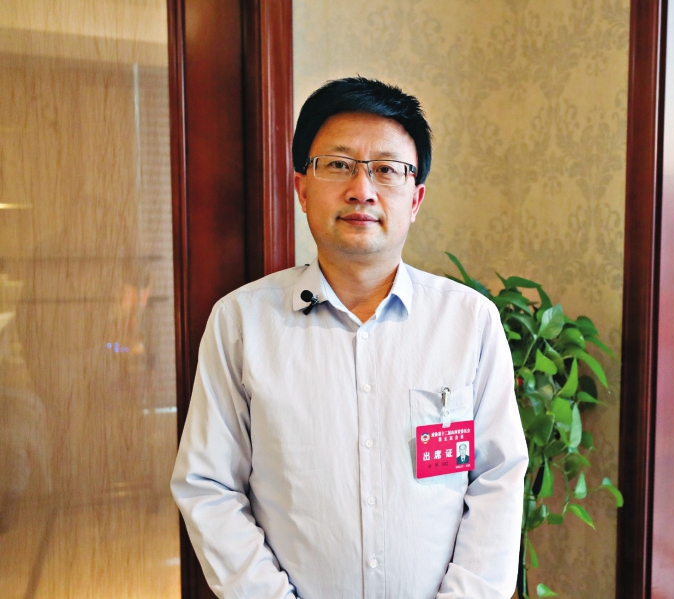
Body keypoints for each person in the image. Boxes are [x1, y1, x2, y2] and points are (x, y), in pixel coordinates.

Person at [171, 76, 528, 599]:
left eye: (386, 169)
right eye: (338, 165)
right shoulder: (240, 323)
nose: (362, 189)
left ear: (415, 199)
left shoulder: (470, 322)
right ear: (302, 189)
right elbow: (209, 487)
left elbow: (498, 479)